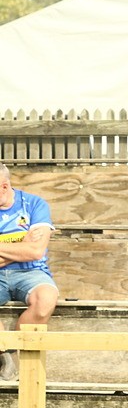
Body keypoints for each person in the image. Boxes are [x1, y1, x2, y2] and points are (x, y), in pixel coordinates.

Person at [0, 163, 58, 381]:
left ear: (4, 187)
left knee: (46, 299)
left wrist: (26, 248)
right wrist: (20, 246)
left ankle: (14, 352)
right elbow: (27, 249)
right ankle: (3, 355)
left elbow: (35, 251)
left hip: (31, 272)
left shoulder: (34, 204)